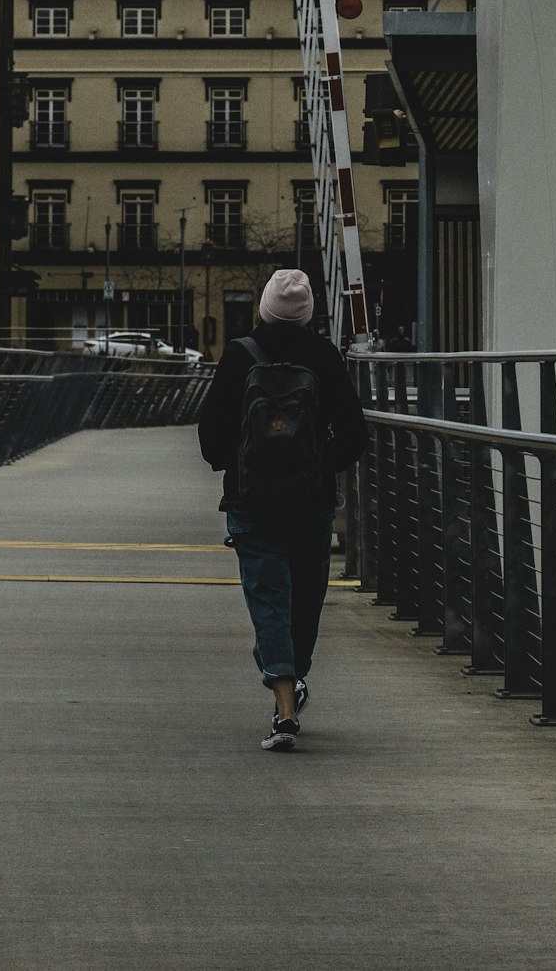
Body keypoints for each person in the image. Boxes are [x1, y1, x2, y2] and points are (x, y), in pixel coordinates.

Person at [197, 268, 368, 751]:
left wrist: (237, 465)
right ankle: (291, 689)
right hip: (309, 502)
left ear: (265, 307)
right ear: (309, 311)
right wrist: (317, 466)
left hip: (251, 500)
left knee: (267, 595)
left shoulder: (239, 355)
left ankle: (285, 705)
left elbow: (211, 435)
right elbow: (355, 436)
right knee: (305, 600)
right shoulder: (324, 357)